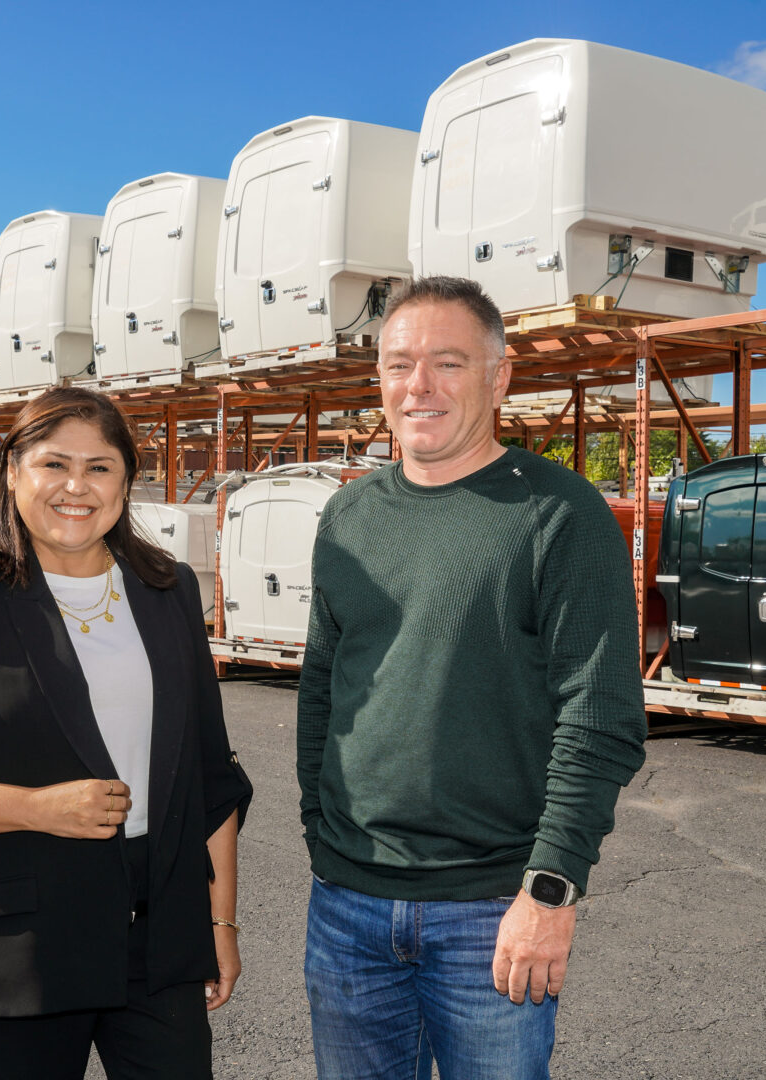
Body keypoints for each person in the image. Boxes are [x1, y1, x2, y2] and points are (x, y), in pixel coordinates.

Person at [297, 276, 647, 1078]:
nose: (417, 386)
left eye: (447, 363)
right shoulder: (348, 517)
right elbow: (323, 688)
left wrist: (551, 891)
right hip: (347, 906)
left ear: (500, 377)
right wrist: (324, 837)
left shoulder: (558, 515)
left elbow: (599, 716)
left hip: (493, 915)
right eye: (398, 364)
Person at [0, 386, 251, 1080]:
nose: (77, 486)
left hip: (159, 939)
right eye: (53, 464)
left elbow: (212, 780)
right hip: (19, 943)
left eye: (100, 467)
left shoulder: (169, 591)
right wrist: (39, 808)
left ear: (127, 481)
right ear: (13, 473)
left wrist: (219, 927)